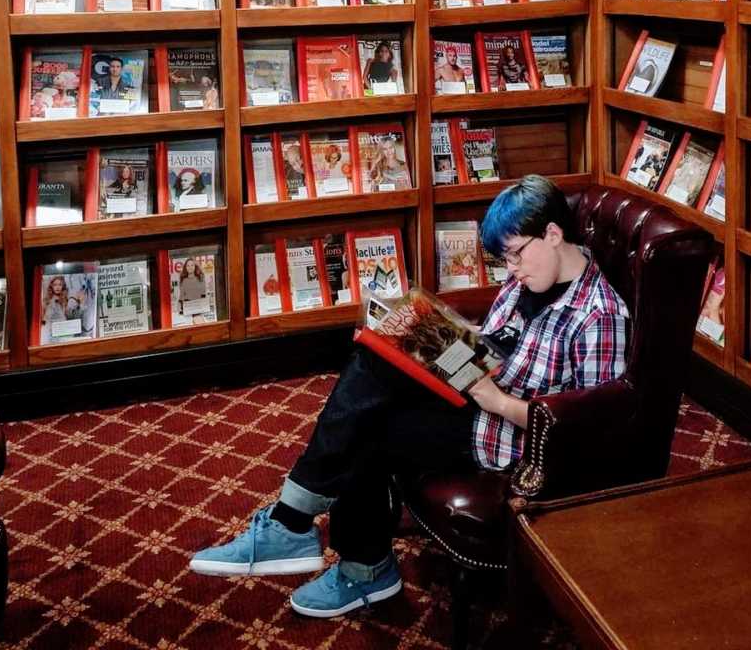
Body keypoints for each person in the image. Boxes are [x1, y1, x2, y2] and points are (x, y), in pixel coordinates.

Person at [190, 175, 629, 618]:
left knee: (370, 414)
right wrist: (455, 337)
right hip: (475, 396)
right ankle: (324, 544)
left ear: (553, 234)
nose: (510, 269)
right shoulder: (531, 276)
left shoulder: (600, 315)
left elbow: (586, 427)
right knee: (379, 357)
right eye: (505, 259)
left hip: (504, 435)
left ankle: (318, 539)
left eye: (514, 255)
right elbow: (503, 342)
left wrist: (497, 401)